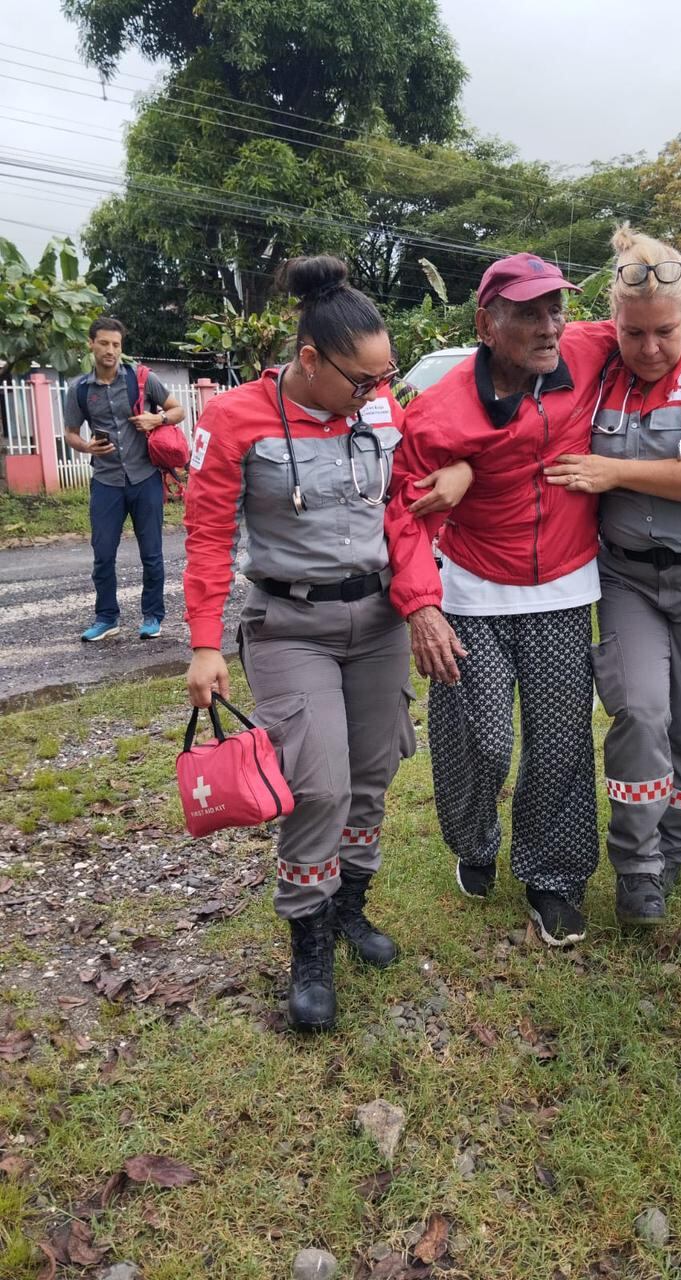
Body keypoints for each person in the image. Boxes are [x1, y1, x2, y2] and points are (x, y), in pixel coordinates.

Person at [385, 251, 681, 946]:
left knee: (559, 745)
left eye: (555, 310)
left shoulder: (584, 349)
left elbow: (654, 322)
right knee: (482, 742)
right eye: (528, 314)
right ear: (486, 325)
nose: (548, 326)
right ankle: (473, 839)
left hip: (564, 587)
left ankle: (553, 878)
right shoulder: (438, 411)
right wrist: (421, 605)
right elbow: (403, 514)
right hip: (472, 588)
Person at [182, 255, 470, 1032]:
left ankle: (350, 907)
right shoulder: (235, 418)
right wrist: (204, 644)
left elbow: (421, 484)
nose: (378, 393)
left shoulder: (382, 412)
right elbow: (207, 537)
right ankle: (308, 943)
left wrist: (462, 475)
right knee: (319, 784)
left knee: (371, 773)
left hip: (376, 622)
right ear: (309, 360)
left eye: (386, 378)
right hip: (290, 627)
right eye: (364, 380)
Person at [544, 227, 681, 925]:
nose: (648, 348)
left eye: (665, 331)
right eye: (633, 332)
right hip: (628, 579)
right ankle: (636, 866)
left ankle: (675, 848)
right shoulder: (600, 354)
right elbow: (521, 345)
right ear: (614, 321)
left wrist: (614, 471)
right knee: (639, 712)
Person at [64, 317, 185, 642]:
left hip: (145, 478)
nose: (110, 350)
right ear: (91, 344)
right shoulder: (79, 389)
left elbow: (178, 410)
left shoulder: (141, 378)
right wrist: (86, 446)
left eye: (116, 344)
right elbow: (71, 433)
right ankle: (107, 618)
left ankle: (152, 616)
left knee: (152, 553)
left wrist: (157, 418)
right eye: (104, 343)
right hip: (106, 482)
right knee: (103, 554)